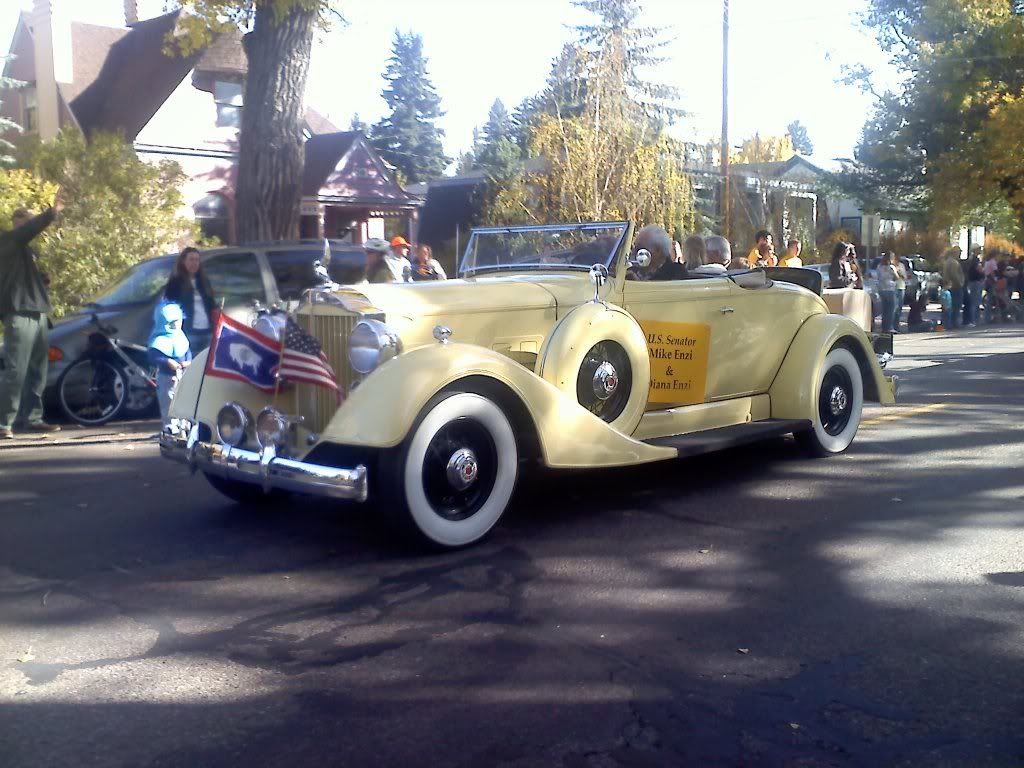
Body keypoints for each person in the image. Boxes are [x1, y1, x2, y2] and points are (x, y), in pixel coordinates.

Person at [0, 190, 65, 439]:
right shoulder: (7, 240)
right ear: (15, 226)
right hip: (18, 312)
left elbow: (25, 277)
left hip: (37, 311)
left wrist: (42, 280)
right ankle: (5, 422)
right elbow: (27, 232)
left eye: (26, 223)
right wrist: (51, 212)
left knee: (38, 368)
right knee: (16, 369)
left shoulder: (28, 252)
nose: (25, 229)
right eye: (21, 224)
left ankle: (34, 418)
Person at [163, 246, 216, 353]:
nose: (194, 263)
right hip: (188, 332)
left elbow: (211, 304)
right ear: (183, 261)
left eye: (197, 260)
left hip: (207, 331)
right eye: (191, 259)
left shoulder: (203, 281)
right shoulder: (176, 283)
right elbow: (169, 307)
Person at [147, 301, 191, 427]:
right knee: (169, 402)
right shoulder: (159, 340)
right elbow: (154, 355)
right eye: (173, 322)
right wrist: (167, 361)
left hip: (183, 375)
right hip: (167, 377)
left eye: (179, 320)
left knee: (185, 400)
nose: (177, 324)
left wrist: (188, 361)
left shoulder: (180, 337)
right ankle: (171, 427)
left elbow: (187, 350)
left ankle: (185, 425)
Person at [875, 252, 900, 333]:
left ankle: (884, 327)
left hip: (881, 288)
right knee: (891, 309)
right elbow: (897, 277)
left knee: (885, 309)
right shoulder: (891, 267)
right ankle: (889, 327)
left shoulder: (879, 266)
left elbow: (878, 276)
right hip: (890, 288)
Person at [941, 248, 965, 328]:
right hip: (955, 286)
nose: (960, 254)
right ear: (955, 252)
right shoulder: (953, 263)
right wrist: (960, 283)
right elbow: (954, 275)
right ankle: (954, 323)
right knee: (956, 306)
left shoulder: (947, 261)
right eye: (959, 252)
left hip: (949, 285)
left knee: (948, 306)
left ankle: (947, 323)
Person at [964, 251, 984, 327]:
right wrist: (983, 270)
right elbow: (979, 269)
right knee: (975, 301)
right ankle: (974, 320)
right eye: (979, 249)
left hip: (972, 281)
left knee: (975, 301)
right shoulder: (975, 260)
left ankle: (974, 320)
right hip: (975, 281)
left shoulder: (971, 259)